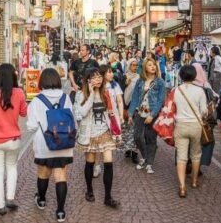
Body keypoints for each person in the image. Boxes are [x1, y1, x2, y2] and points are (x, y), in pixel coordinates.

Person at [27, 68, 74, 223]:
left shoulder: (36, 100)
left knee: (43, 174)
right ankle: (60, 211)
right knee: (61, 176)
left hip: (44, 143)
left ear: (42, 81)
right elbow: (71, 118)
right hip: (64, 142)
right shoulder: (65, 98)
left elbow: (31, 126)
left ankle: (41, 200)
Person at [0, 64, 28, 215]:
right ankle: (10, 198)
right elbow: (23, 113)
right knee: (12, 168)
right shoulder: (19, 92)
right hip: (13, 139)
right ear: (13, 76)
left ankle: (1, 206)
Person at [74, 68, 121, 208]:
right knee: (90, 162)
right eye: (94, 77)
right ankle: (89, 190)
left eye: (100, 77)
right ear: (88, 80)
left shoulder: (107, 93)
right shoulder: (80, 94)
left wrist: (118, 131)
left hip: (105, 132)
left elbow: (114, 112)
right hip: (89, 133)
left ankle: (108, 196)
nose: (98, 79)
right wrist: (91, 94)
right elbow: (81, 113)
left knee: (108, 162)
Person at [173, 65, 208, 198]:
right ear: (194, 76)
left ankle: (182, 187)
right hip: (195, 125)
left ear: (181, 75)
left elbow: (172, 109)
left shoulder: (176, 90)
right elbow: (204, 111)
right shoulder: (200, 91)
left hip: (180, 125)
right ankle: (194, 181)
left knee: (181, 156)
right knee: (196, 154)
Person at [127, 58, 166, 175]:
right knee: (137, 137)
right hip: (140, 113)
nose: (153, 67)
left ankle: (149, 163)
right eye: (150, 65)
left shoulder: (160, 82)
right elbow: (134, 97)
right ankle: (145, 157)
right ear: (145, 68)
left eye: (154, 65)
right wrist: (130, 114)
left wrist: (152, 114)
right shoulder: (140, 81)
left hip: (152, 114)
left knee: (150, 138)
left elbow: (161, 100)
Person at [121, 58, 140, 163]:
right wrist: (125, 84)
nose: (135, 67)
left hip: (136, 106)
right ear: (129, 66)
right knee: (127, 129)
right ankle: (127, 149)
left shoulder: (139, 77)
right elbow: (120, 92)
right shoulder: (124, 77)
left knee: (135, 130)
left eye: (136, 65)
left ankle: (135, 153)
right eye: (133, 65)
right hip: (126, 106)